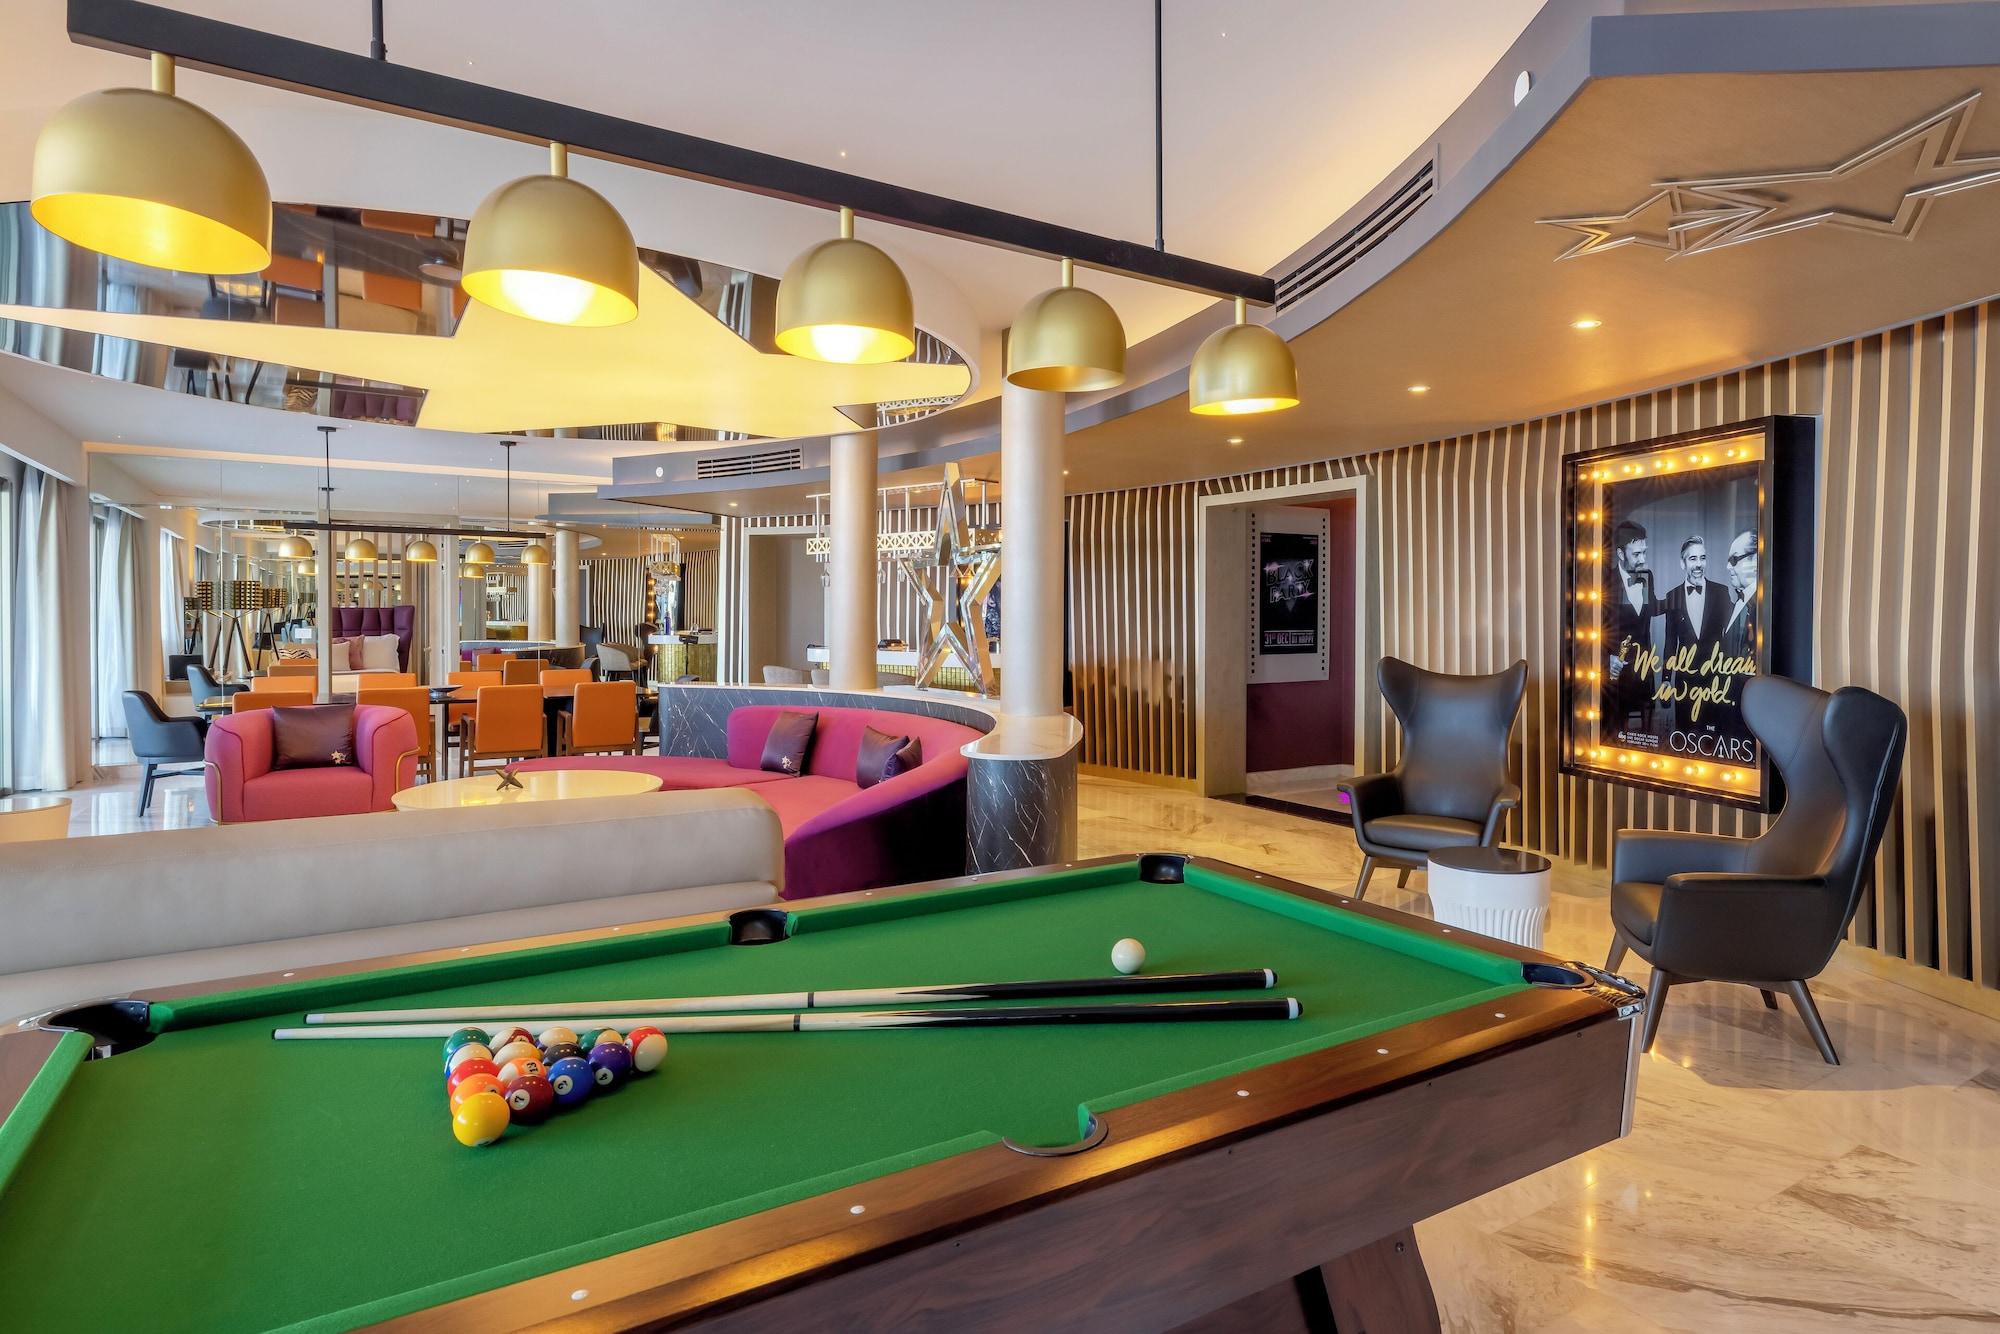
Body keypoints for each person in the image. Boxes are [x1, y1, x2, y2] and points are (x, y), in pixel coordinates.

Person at [1660, 535, 1734, 733]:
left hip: (1715, 679)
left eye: (1703, 558)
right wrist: (1666, 679)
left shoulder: (1721, 592)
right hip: (1685, 680)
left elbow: (1731, 636)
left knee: (1714, 734)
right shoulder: (1672, 596)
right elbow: (1670, 642)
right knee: (1685, 733)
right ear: (1682, 563)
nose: (1699, 564)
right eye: (1693, 558)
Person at [1601, 520, 1658, 736]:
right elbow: (1595, 627)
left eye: (1644, 552)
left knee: (1646, 736)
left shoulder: (1647, 578)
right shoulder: (1604, 582)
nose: (1643, 559)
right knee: (1612, 733)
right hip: (1614, 674)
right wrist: (1607, 659)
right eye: (1636, 554)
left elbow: (1647, 618)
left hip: (1643, 670)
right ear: (1621, 554)